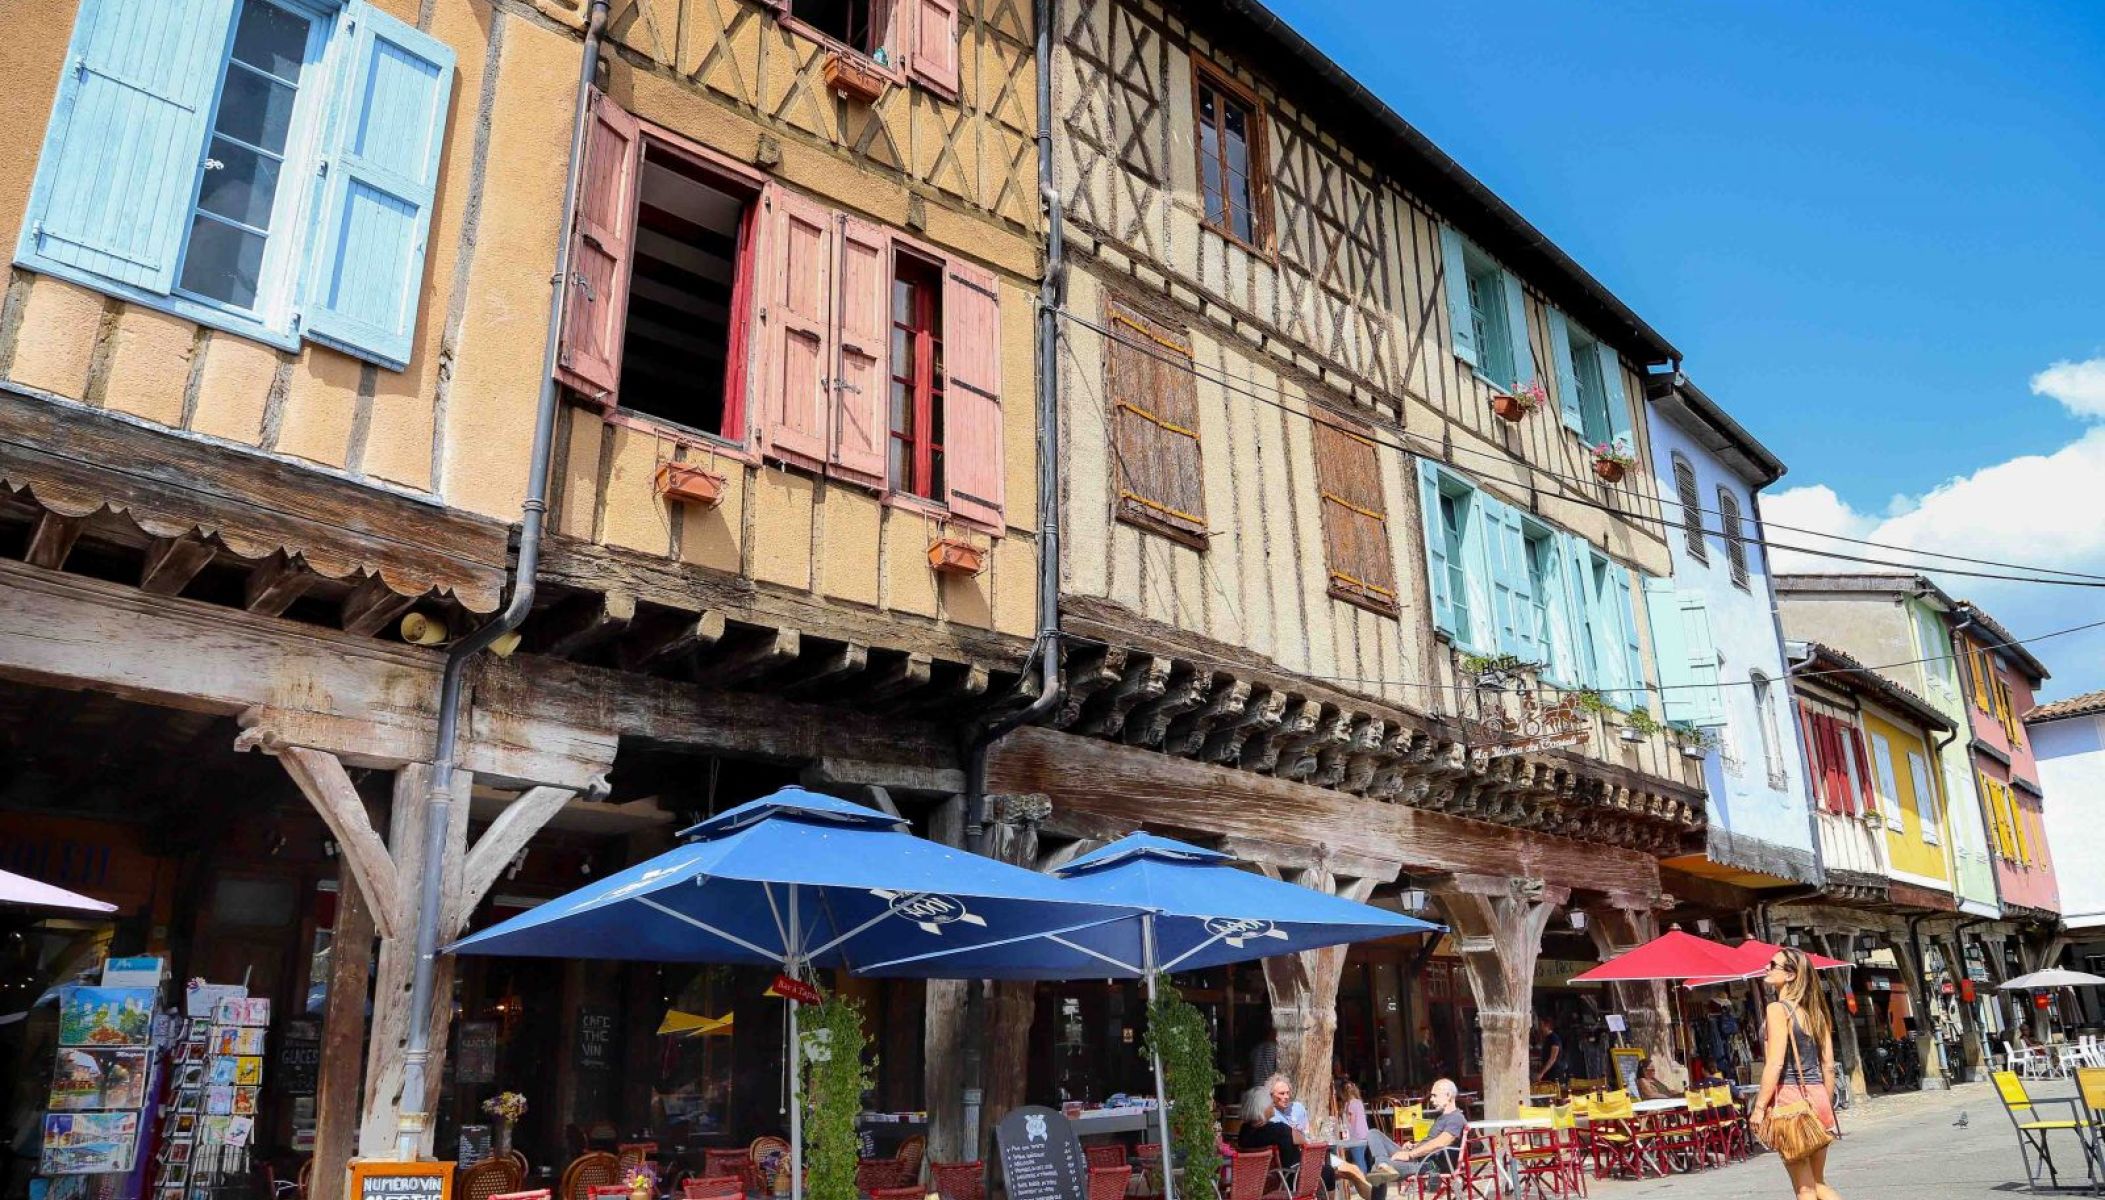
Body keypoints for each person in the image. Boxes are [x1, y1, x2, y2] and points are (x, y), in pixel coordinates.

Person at [1752, 947, 1842, 1200]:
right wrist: (1822, 1101)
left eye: (1772, 965)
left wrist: (1759, 1108)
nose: (1766, 969)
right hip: (1819, 1097)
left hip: (1791, 1098)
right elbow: (1828, 1066)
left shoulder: (1777, 1010)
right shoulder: (1816, 1013)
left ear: (1791, 975)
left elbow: (1775, 1064)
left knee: (1804, 1188)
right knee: (1818, 1183)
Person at [1235, 1084, 1372, 1200]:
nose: (1272, 1105)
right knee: (1329, 1172)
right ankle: (1368, 1190)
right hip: (1292, 1179)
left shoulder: (1244, 1132)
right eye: (1270, 1103)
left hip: (1261, 1182)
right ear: (1263, 1108)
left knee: (1342, 1172)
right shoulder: (1278, 1130)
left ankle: (1361, 1184)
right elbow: (1304, 1141)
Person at [1365, 1078, 1466, 1188]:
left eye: (1435, 1095)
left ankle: (1382, 1165)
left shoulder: (1456, 1118)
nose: (1431, 1099)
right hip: (1418, 1157)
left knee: (1377, 1173)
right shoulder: (1443, 1117)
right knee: (1373, 1133)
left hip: (1428, 1165)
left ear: (1448, 1095)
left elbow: (1440, 1143)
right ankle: (1382, 1163)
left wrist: (1409, 1154)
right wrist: (1414, 1145)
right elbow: (1431, 1141)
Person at [1334, 1078, 1371, 1170]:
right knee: (1362, 1160)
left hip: (1356, 1136)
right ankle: (1365, 1178)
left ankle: (1362, 1179)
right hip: (1365, 1134)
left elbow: (1351, 1121)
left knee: (1358, 1161)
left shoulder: (1349, 1104)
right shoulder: (1359, 1102)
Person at [1533, 1014, 1569, 1086]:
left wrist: (1541, 1073)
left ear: (1547, 1025)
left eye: (1541, 1025)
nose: (1539, 1027)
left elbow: (1552, 1059)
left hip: (1554, 1074)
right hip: (1548, 1074)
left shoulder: (1554, 1039)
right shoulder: (1546, 1038)